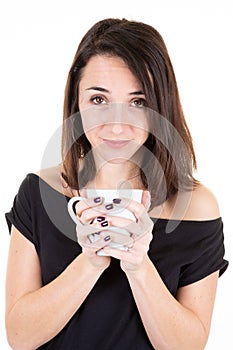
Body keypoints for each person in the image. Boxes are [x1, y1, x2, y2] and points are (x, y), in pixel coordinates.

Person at [5, 18, 228, 350]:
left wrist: (138, 265)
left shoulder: (197, 208)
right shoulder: (39, 193)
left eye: (138, 102)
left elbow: (188, 345)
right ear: (76, 103)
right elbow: (20, 337)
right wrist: (91, 261)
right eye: (98, 100)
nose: (117, 125)